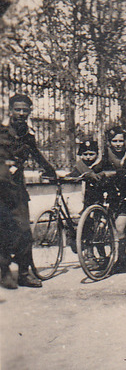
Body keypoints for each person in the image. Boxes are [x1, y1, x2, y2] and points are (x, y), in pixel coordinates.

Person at [0, 93, 56, 289]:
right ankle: (5, 272)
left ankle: (24, 273)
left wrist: (50, 169)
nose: (21, 113)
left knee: (24, 230)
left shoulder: (28, 134)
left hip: (18, 190)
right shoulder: (2, 131)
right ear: (10, 110)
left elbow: (36, 154)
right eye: (18, 109)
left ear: (30, 111)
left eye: (25, 110)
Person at [96, 126, 126, 273]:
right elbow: (99, 167)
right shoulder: (107, 155)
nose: (118, 144)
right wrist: (90, 172)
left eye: (121, 141)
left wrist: (112, 173)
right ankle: (114, 257)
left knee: (119, 227)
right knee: (108, 227)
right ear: (109, 142)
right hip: (113, 195)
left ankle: (121, 260)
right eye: (114, 141)